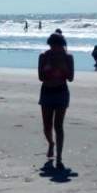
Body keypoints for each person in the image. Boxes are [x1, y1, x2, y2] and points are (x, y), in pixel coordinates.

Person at [39, 32, 74, 169]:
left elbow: (71, 78)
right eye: (52, 46)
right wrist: (50, 68)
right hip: (47, 91)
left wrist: (62, 67)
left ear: (62, 46)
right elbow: (41, 77)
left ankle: (59, 157)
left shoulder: (68, 57)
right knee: (47, 126)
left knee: (58, 126)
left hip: (61, 91)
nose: (54, 49)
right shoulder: (44, 56)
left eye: (57, 46)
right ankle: (51, 143)